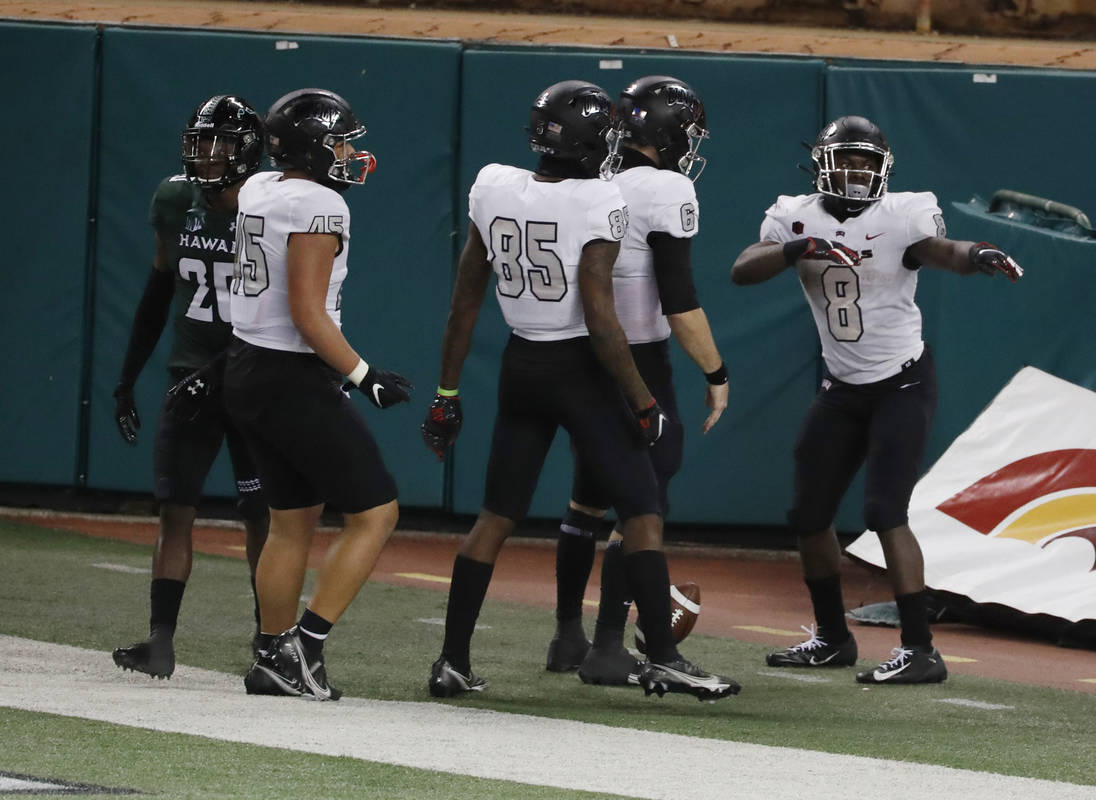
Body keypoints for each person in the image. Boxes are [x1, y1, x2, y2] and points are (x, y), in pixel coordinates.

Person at [419, 79, 739, 702]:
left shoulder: (492, 184)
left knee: (494, 518)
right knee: (643, 511)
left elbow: (463, 306)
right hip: (582, 371)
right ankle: (666, 658)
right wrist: (643, 400)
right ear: (596, 142)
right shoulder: (599, 200)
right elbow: (600, 316)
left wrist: (447, 393)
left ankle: (452, 661)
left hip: (519, 366)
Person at [730, 115, 1023, 685]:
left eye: (868, 159)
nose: (859, 168)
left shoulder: (901, 214)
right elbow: (743, 270)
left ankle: (920, 649)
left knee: (884, 511)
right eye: (849, 158)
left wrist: (978, 251)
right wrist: (800, 248)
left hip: (902, 381)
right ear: (822, 164)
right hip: (842, 389)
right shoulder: (795, 215)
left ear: (884, 166)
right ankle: (832, 638)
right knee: (808, 515)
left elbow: (940, 250)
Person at [221, 88, 413, 700]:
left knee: (290, 521)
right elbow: (307, 313)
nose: (351, 152)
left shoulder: (259, 189)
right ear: (313, 147)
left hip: (247, 366)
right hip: (291, 375)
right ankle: (304, 646)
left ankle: (271, 653)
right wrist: (365, 375)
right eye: (341, 142)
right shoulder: (321, 204)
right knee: (377, 512)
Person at [543, 75, 728, 686]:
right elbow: (680, 303)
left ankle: (567, 635)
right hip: (639, 361)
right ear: (671, 134)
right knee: (643, 501)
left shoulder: (593, 176)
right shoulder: (668, 188)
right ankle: (609, 644)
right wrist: (716, 371)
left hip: (579, 352)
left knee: (587, 498)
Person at [111, 95, 270, 681]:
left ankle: (269, 637)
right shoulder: (177, 198)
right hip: (190, 377)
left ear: (248, 151)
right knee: (174, 511)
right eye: (201, 142)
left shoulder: (270, 206)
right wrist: (127, 376)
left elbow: (283, 306)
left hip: (254, 377)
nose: (206, 154)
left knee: (262, 514)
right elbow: (159, 290)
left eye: (221, 143)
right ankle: (161, 641)